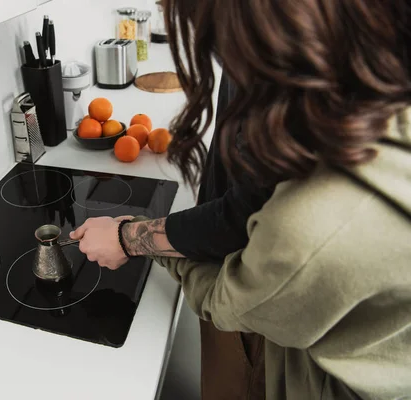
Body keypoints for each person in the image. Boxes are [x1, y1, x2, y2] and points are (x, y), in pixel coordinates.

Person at [70, 0, 411, 399]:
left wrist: (129, 236)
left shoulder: (316, 221)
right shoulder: (357, 71)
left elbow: (229, 290)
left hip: (312, 372)